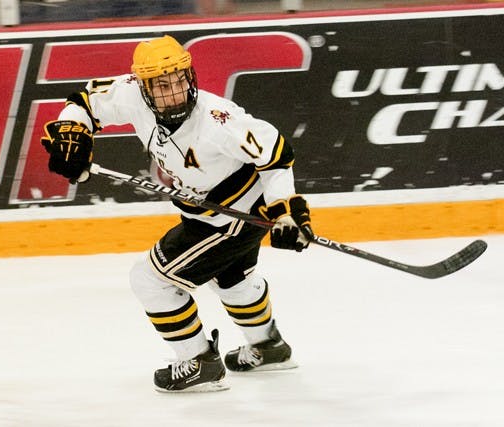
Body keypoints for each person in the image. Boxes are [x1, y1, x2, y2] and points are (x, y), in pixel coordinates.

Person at [41, 35, 314, 392]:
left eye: (181, 80)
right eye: (163, 85)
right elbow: (85, 102)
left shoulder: (218, 120)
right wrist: (73, 130)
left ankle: (198, 359)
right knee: (231, 280)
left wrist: (287, 213)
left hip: (231, 214)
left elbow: (276, 155)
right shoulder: (131, 94)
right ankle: (268, 346)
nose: (176, 92)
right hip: (209, 211)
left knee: (150, 280)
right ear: (144, 87)